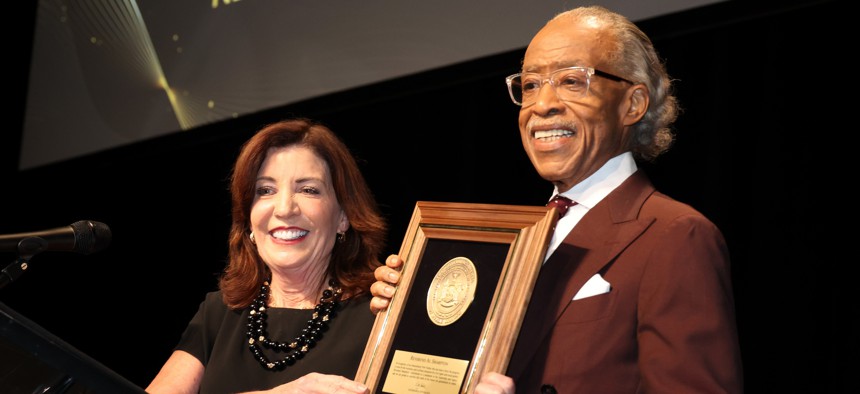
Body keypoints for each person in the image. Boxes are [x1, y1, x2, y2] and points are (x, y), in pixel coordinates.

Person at [370, 5, 743, 393]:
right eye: (530, 84)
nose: (542, 104)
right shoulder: (508, 241)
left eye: (571, 81)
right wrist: (407, 313)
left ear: (632, 104)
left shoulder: (675, 235)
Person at [147, 118, 386, 393]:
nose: (284, 209)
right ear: (248, 219)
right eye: (265, 190)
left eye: (308, 189)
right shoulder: (220, 312)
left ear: (343, 216)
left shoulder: (379, 313)